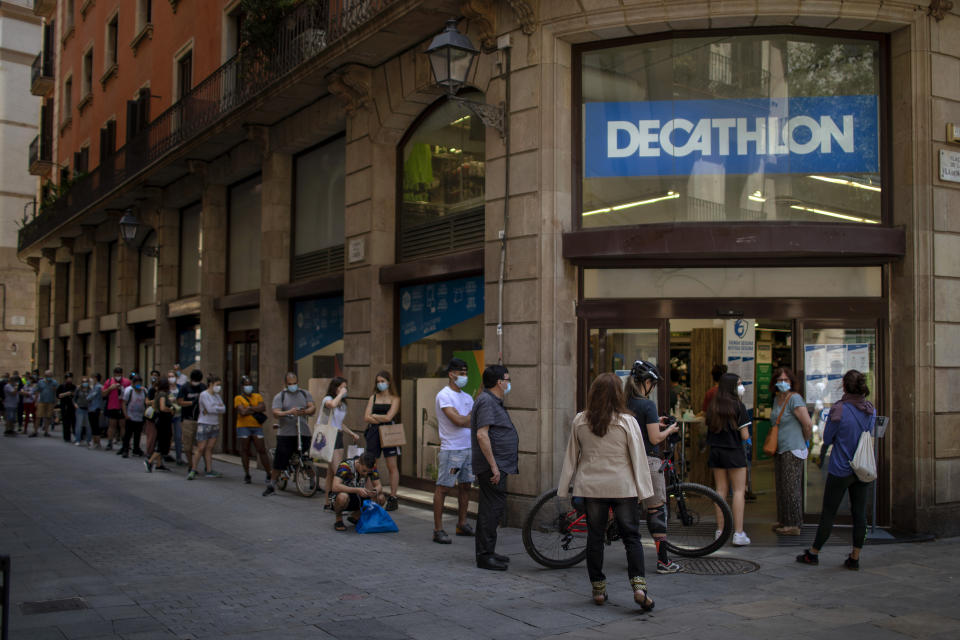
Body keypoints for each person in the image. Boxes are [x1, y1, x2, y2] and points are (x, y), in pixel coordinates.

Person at [558, 372, 656, 609]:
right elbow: (638, 459)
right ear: (618, 394)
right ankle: (639, 587)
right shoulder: (627, 421)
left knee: (595, 537)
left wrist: (564, 488)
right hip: (623, 487)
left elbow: (571, 457)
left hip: (591, 487)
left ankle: (599, 590)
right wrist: (644, 492)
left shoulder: (581, 420)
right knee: (631, 537)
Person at [797, 370, 876, 570]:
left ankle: (814, 553)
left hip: (841, 469)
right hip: (862, 470)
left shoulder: (839, 410)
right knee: (859, 514)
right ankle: (855, 557)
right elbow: (872, 433)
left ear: (844, 386)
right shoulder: (870, 410)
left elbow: (828, 438)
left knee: (829, 513)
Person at [624, 360, 682, 573]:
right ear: (647, 382)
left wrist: (655, 421)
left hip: (625, 462)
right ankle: (663, 561)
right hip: (647, 462)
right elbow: (655, 439)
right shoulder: (647, 404)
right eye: (653, 384)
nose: (653, 388)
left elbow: (637, 426)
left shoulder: (626, 401)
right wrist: (670, 429)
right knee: (656, 509)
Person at [471, 364, 518, 571]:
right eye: (507, 379)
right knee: (490, 510)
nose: (509, 383)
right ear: (500, 382)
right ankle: (484, 556)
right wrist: (494, 466)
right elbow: (482, 434)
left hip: (497, 465)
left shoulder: (491, 401)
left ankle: (489, 551)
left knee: (492, 509)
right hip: (492, 466)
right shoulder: (486, 402)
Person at [432, 358, 476, 544]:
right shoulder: (444, 395)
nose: (464, 376)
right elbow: (458, 421)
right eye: (461, 373)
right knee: (443, 488)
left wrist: (467, 418)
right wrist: (469, 418)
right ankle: (438, 529)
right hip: (451, 451)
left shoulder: (468, 397)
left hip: (468, 449)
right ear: (452, 374)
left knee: (466, 486)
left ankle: (462, 523)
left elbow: (468, 420)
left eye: (466, 373)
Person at [705, 372, 752, 546]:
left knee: (720, 490)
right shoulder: (739, 406)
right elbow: (745, 434)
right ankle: (738, 533)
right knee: (739, 491)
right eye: (739, 383)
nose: (741, 387)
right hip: (734, 452)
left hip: (716, 451)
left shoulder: (713, 406)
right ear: (732, 387)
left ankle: (720, 531)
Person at [771, 366, 813, 536]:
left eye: (785, 380)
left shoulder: (795, 398)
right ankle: (784, 521)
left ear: (791, 382)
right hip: (780, 448)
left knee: (791, 488)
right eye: (779, 380)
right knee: (781, 487)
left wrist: (804, 440)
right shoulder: (777, 399)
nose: (782, 383)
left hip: (793, 448)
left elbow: (808, 424)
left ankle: (794, 524)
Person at [263, 372, 315, 496]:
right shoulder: (280, 396)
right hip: (286, 433)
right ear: (286, 384)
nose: (293, 386)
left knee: (305, 455)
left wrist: (304, 411)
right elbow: (276, 413)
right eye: (290, 384)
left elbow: (312, 407)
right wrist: (288, 412)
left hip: (303, 431)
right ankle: (272, 484)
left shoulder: (304, 393)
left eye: (295, 383)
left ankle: (313, 481)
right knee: (281, 458)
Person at [320, 377, 363, 503]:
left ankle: (328, 502)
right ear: (335, 388)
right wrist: (340, 395)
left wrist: (351, 433)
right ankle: (340, 501)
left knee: (331, 473)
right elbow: (331, 405)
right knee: (339, 471)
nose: (345, 389)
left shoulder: (343, 404)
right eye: (341, 387)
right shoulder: (328, 399)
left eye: (346, 387)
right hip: (328, 437)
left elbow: (339, 423)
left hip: (338, 436)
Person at [363, 370, 401, 511]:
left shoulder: (395, 398)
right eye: (378, 382)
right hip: (373, 432)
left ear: (389, 382)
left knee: (392, 465)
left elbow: (388, 418)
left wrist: (375, 415)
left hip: (389, 432)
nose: (380, 384)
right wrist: (379, 417)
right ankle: (370, 495)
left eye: (383, 381)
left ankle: (393, 497)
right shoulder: (373, 397)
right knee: (371, 464)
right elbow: (366, 417)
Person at [331, 451, 385, 531]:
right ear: (359, 462)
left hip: (359, 496)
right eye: (364, 471)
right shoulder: (345, 465)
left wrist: (374, 491)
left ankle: (355, 516)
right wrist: (356, 490)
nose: (366, 474)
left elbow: (379, 486)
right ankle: (338, 520)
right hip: (344, 496)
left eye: (368, 472)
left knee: (381, 498)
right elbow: (335, 486)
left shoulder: (372, 466)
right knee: (343, 497)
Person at [234, 375, 272, 485]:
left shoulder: (257, 396)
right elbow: (242, 412)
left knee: (262, 449)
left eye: (250, 384)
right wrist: (255, 409)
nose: (248, 387)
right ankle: (247, 474)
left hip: (256, 427)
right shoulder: (238, 398)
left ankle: (269, 473)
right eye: (246, 385)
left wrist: (249, 408)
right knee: (245, 450)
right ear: (242, 387)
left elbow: (263, 407)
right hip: (243, 427)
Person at [188, 375, 226, 480]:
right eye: (217, 385)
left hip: (214, 424)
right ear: (211, 384)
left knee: (209, 448)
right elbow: (210, 409)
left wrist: (215, 408)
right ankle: (193, 469)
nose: (219, 387)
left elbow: (224, 409)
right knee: (201, 448)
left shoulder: (217, 396)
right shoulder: (204, 395)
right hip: (204, 423)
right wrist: (217, 408)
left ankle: (209, 470)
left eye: (219, 385)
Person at [145, 378, 177, 473]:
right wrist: (170, 410)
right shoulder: (163, 394)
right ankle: (150, 461)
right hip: (164, 421)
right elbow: (163, 408)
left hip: (160, 421)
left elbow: (156, 406)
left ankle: (159, 464)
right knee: (163, 443)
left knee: (160, 442)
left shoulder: (158, 394)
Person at [177, 369, 206, 466]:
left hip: (201, 419)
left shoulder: (203, 387)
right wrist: (192, 402)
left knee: (202, 446)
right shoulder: (185, 387)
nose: (196, 383)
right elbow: (180, 402)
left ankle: (207, 466)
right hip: (187, 419)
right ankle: (191, 465)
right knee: (187, 446)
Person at [102, 367, 130, 450]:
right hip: (112, 406)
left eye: (119, 374)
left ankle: (124, 443)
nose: (118, 375)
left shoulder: (126, 382)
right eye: (116, 374)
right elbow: (103, 394)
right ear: (114, 374)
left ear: (122, 374)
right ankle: (110, 442)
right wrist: (111, 388)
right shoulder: (109, 381)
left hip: (122, 406)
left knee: (123, 425)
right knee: (112, 425)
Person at [121, 375, 148, 458]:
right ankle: (125, 449)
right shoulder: (129, 391)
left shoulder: (144, 391)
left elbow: (146, 403)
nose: (138, 384)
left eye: (139, 383)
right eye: (136, 383)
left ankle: (136, 449)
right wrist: (126, 414)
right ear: (133, 383)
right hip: (130, 415)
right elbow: (124, 403)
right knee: (128, 434)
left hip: (140, 416)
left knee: (137, 434)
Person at [34, 369, 58, 437]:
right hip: (41, 401)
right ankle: (35, 431)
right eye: (47, 375)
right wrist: (35, 401)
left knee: (48, 417)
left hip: (50, 402)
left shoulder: (54, 383)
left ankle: (46, 431)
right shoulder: (41, 382)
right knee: (38, 416)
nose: (49, 376)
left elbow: (57, 392)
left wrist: (56, 401)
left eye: (50, 375)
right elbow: (37, 391)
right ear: (45, 375)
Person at [167, 371, 183, 464]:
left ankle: (179, 457)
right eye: (169, 376)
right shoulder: (165, 389)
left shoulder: (180, 388)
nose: (171, 378)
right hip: (168, 415)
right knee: (169, 436)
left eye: (172, 376)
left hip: (178, 415)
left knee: (178, 436)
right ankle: (166, 454)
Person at [72, 377, 93, 446]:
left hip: (88, 409)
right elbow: (74, 399)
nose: (85, 383)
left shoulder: (90, 390)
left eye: (86, 382)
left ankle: (89, 440)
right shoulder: (78, 389)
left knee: (88, 425)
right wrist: (75, 405)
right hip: (80, 408)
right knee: (79, 425)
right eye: (84, 382)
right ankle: (78, 439)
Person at [57, 372, 77, 442]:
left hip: (72, 406)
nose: (69, 379)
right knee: (66, 422)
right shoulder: (62, 386)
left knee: (74, 422)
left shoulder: (74, 387)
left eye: (71, 378)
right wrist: (66, 393)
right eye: (68, 378)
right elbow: (58, 395)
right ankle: (66, 437)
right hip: (64, 405)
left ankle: (76, 436)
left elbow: (76, 395)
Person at [88, 373, 104, 449]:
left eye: (93, 378)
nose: (91, 380)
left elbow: (90, 397)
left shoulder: (98, 387)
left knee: (95, 425)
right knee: (93, 425)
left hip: (95, 408)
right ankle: (95, 441)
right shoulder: (94, 387)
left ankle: (97, 442)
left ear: (96, 378)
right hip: (91, 408)